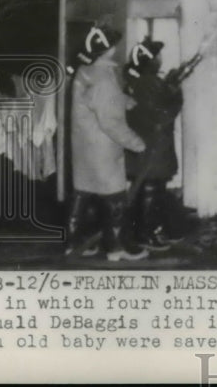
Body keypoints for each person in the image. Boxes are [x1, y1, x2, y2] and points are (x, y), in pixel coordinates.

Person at [65, 24, 148, 261]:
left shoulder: (86, 71)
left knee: (82, 192)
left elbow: (97, 101)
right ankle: (116, 248)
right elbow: (110, 122)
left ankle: (73, 243)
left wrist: (123, 100)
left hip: (84, 144)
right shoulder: (105, 78)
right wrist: (136, 143)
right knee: (115, 197)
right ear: (108, 50)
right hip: (103, 148)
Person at [123, 37, 184, 250]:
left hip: (147, 147)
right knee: (151, 189)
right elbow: (163, 114)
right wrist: (176, 93)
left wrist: (168, 86)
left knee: (149, 190)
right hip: (153, 148)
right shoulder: (149, 83)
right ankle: (146, 234)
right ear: (151, 61)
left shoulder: (141, 81)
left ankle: (147, 231)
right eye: (157, 56)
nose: (160, 59)